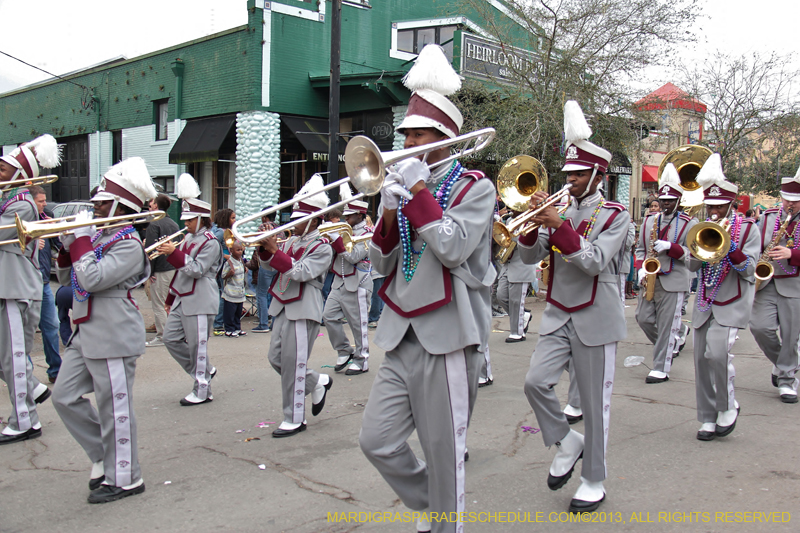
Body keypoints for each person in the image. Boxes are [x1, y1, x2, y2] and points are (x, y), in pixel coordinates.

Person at [358, 45, 496, 533]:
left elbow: (455, 248)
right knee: (376, 441)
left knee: (444, 450)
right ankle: (437, 505)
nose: (409, 142)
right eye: (407, 134)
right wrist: (391, 210)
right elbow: (379, 262)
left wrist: (419, 194)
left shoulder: (475, 187)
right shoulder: (402, 187)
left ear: (445, 139)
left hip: (449, 336)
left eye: (420, 134)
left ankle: (445, 521)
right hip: (401, 334)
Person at [519, 101, 629, 513]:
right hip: (559, 313)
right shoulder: (559, 211)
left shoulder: (616, 215)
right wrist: (531, 223)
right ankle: (567, 441)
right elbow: (530, 259)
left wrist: (557, 224)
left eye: (580, 174)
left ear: (599, 174)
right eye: (568, 174)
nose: (573, 181)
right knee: (534, 382)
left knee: (595, 408)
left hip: (596, 316)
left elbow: (595, 261)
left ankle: (594, 479)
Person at [52, 156, 154, 502]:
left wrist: (80, 244)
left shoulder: (128, 243)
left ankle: (126, 477)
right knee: (63, 396)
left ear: (120, 206)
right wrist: (68, 251)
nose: (93, 207)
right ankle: (103, 456)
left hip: (112, 333)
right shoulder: (99, 239)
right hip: (85, 331)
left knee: (115, 408)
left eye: (100, 203)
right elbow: (72, 283)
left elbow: (92, 279)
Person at [688, 154, 760, 441]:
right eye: (711, 206)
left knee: (716, 354)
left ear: (731, 204)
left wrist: (729, 247)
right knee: (701, 361)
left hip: (733, 301)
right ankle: (707, 416)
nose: (714, 211)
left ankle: (728, 406)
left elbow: (750, 270)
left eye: (720, 206)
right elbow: (691, 267)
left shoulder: (749, 230)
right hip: (705, 302)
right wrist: (701, 250)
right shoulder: (700, 227)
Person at [257, 174, 335, 438]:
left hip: (304, 308)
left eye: (299, 220)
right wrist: (265, 249)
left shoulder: (323, 247)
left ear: (315, 219)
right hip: (282, 305)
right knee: (277, 359)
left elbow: (301, 272)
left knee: (293, 363)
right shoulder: (290, 241)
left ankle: (294, 418)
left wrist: (275, 252)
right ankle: (317, 382)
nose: (294, 224)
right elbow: (270, 267)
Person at [0, 134, 60, 445]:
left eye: (3, 169)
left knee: (12, 355)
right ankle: (33, 388)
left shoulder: (22, 205)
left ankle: (24, 420)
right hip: (7, 285)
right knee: (6, 356)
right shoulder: (9, 200)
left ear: (20, 175)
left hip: (16, 287)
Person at [159, 174, 222, 406]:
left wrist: (172, 253)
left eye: (189, 220)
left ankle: (202, 389)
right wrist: (169, 296)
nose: (185, 224)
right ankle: (204, 370)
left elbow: (196, 269)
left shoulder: (211, 242)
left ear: (201, 218)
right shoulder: (187, 238)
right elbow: (180, 271)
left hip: (200, 299)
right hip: (182, 297)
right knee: (170, 339)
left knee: (198, 346)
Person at [634, 164, 697, 383]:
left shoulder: (691, 223)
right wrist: (642, 268)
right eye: (663, 201)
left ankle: (661, 367)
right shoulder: (650, 221)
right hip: (651, 279)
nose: (665, 205)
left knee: (668, 324)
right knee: (643, 319)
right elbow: (641, 249)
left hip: (674, 279)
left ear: (679, 201)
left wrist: (672, 248)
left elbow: (693, 256)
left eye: (670, 201)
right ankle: (674, 339)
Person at [749, 167, 800, 403]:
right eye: (787, 200)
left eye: (796, 202)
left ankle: (787, 380)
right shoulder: (769, 217)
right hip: (767, 282)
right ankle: (784, 365)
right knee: (760, 327)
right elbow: (755, 245)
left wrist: (792, 253)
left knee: (790, 336)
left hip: (795, 284)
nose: (791, 205)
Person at [322, 183, 373, 375]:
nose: (346, 219)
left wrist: (336, 239)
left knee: (358, 324)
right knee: (328, 316)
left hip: (358, 283)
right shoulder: (345, 231)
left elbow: (353, 256)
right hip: (338, 282)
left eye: (349, 216)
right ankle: (344, 350)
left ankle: (362, 359)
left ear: (360, 215)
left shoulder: (367, 234)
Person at [29, 184, 62, 383]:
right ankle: (25, 376)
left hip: (43, 282)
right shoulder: (19, 222)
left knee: (51, 326)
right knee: (25, 332)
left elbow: (59, 245)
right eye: (40, 201)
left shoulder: (44, 219)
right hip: (25, 283)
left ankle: (55, 371)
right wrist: (31, 242)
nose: (44, 205)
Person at [143, 193, 179, 347]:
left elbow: (151, 252)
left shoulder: (154, 224)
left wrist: (149, 272)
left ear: (156, 206)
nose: (149, 205)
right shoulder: (174, 224)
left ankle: (162, 336)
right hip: (172, 267)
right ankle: (173, 333)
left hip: (160, 268)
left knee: (159, 304)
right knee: (170, 303)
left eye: (151, 203)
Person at [495, 210, 536, 343]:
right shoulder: (509, 220)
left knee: (516, 301)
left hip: (522, 264)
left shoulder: (530, 221)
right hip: (508, 263)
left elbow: (525, 241)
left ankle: (517, 333)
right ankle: (523, 315)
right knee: (501, 296)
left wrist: (509, 234)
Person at [252, 207, 279, 333]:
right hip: (278, 263)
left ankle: (263, 323)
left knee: (261, 294)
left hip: (267, 264)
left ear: (264, 217)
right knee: (275, 294)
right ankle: (274, 322)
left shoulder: (263, 227)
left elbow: (259, 248)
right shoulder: (280, 228)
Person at [211, 208, 234, 335]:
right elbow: (215, 249)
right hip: (224, 264)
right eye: (232, 218)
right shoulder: (220, 232)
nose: (235, 220)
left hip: (225, 263)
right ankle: (218, 323)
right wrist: (228, 257)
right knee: (223, 293)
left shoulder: (223, 231)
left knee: (223, 293)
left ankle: (221, 321)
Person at [222, 240, 248, 337]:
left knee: (238, 312)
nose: (240, 252)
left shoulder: (241, 261)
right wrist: (229, 273)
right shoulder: (229, 263)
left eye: (241, 250)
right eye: (237, 250)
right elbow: (223, 275)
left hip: (240, 291)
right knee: (230, 312)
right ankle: (229, 329)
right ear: (231, 251)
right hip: (231, 292)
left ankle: (237, 328)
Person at [321, 208, 342, 303]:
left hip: (332, 264)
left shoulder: (335, 228)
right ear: (330, 217)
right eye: (337, 217)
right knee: (326, 289)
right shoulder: (329, 229)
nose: (338, 220)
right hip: (328, 264)